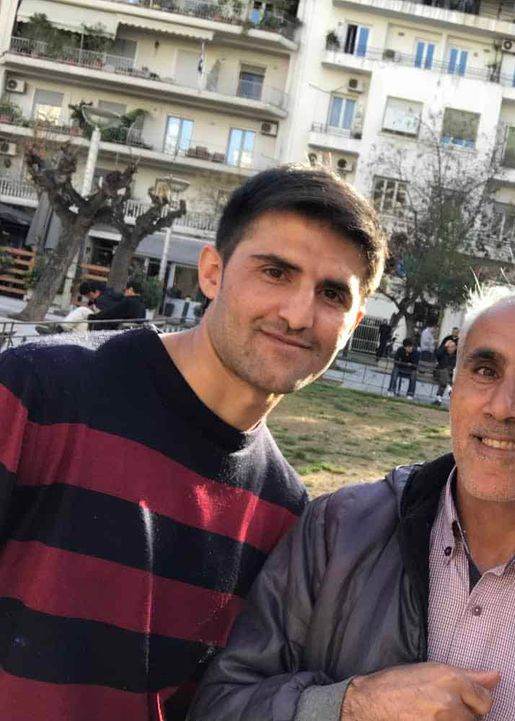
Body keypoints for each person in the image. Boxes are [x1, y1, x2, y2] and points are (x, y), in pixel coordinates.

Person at [0, 165, 388, 721]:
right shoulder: (38, 393)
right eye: (275, 272)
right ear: (212, 272)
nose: (298, 314)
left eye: (331, 293)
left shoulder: (287, 514)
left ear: (352, 323)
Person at [188, 286, 515, 721]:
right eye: (485, 370)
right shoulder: (337, 531)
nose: (504, 406)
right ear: (454, 389)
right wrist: (351, 706)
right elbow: (219, 706)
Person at [432, 336, 457, 405]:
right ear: (447, 348)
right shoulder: (443, 354)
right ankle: (449, 388)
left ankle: (438, 400)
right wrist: (444, 346)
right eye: (450, 347)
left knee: (444, 379)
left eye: (453, 347)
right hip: (438, 373)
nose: (452, 349)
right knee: (444, 372)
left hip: (449, 376)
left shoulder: (456, 357)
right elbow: (437, 354)